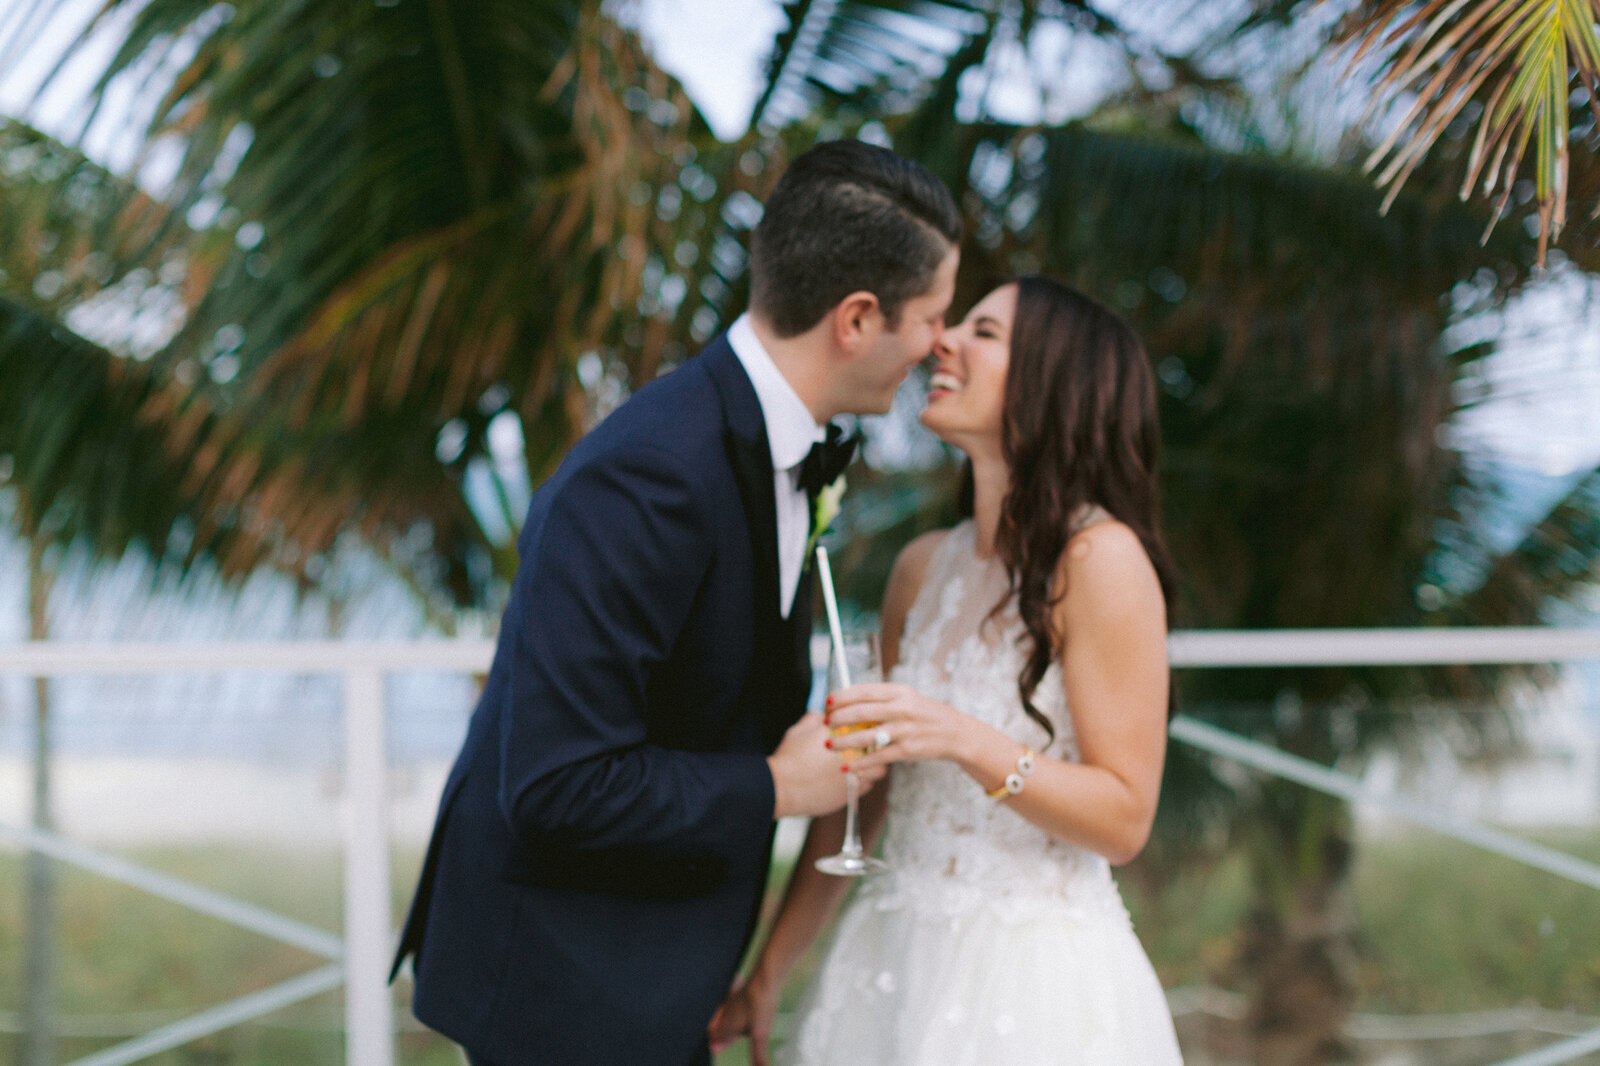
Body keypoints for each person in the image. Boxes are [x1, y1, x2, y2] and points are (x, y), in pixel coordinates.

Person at [388, 139, 961, 1066]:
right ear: (857, 318)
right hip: (566, 993)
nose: (941, 346)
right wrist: (781, 785)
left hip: (658, 973)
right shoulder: (651, 472)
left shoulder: (781, 451)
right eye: (933, 317)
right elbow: (555, 783)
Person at [710, 276, 1185, 1065]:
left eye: (985, 333)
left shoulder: (1102, 561)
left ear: (1057, 382)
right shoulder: (922, 567)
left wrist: (965, 738)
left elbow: (1126, 816)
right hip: (891, 959)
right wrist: (769, 971)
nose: (944, 342)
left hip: (1030, 987)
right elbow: (872, 785)